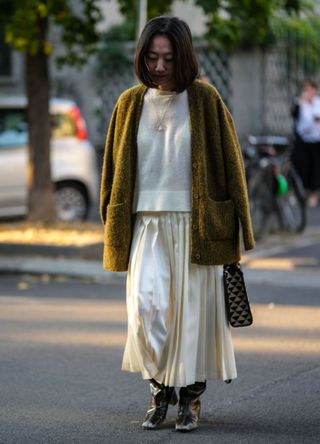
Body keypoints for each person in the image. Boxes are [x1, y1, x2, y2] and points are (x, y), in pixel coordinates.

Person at [100, 16, 255, 432]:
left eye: (168, 57)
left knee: (192, 314)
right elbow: (113, 170)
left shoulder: (205, 100)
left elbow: (231, 165)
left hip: (197, 224)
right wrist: (110, 225)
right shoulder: (129, 102)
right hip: (145, 224)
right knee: (145, 309)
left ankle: (188, 397)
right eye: (152, 57)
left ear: (184, 57)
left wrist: (241, 228)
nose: (159, 66)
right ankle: (159, 384)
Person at [291, 79, 320, 207]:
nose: (309, 92)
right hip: (303, 141)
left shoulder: (318, 103)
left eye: (311, 89)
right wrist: (300, 102)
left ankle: (313, 195)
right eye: (306, 89)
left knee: (316, 169)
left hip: (317, 140)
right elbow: (294, 114)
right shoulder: (300, 103)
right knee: (301, 167)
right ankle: (299, 193)